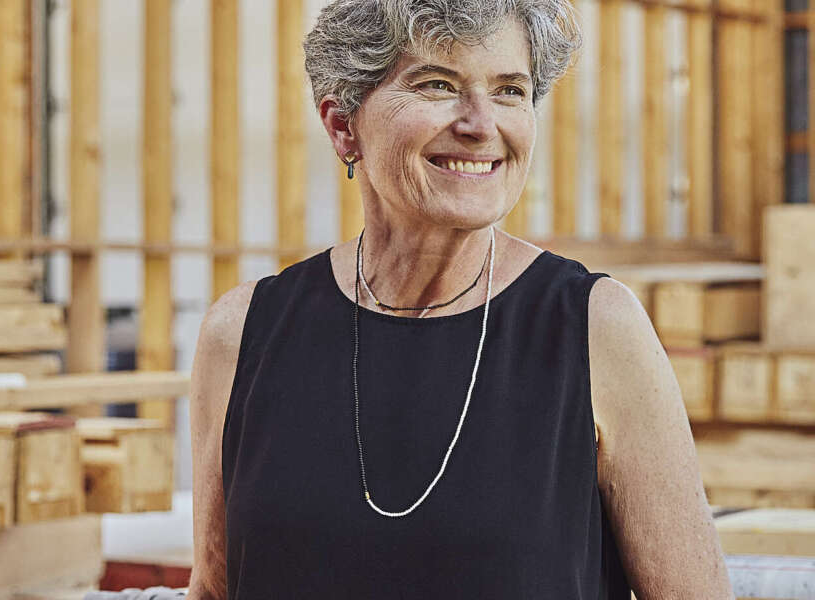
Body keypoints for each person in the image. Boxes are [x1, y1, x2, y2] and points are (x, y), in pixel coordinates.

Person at [187, 1, 730, 597]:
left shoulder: (594, 327)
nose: (480, 124)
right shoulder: (242, 334)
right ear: (344, 126)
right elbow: (215, 589)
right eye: (438, 84)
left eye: (509, 91)